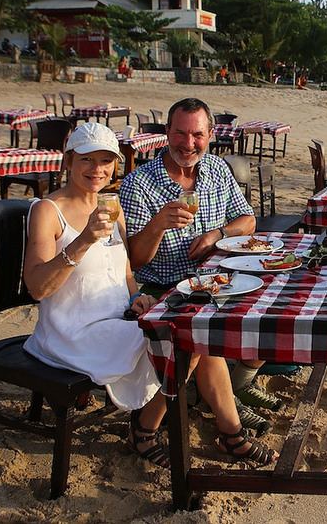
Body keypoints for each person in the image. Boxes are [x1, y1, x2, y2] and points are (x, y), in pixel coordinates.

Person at [22, 122, 276, 469]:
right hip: (73, 331)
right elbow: (37, 288)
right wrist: (82, 241)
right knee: (187, 339)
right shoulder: (47, 210)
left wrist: (134, 297)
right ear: (68, 161)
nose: (97, 170)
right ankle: (150, 432)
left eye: (106, 161)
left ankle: (228, 434)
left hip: (118, 318)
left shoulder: (110, 205)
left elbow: (124, 268)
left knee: (196, 331)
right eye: (87, 160)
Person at [119, 98, 281, 427]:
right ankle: (228, 410)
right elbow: (133, 260)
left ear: (210, 134)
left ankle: (237, 383)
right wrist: (158, 225)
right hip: (163, 287)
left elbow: (248, 221)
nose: (189, 144)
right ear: (167, 133)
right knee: (201, 327)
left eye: (197, 135)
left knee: (274, 304)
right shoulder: (139, 184)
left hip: (215, 281)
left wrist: (216, 235)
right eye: (180, 134)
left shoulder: (218, 170)